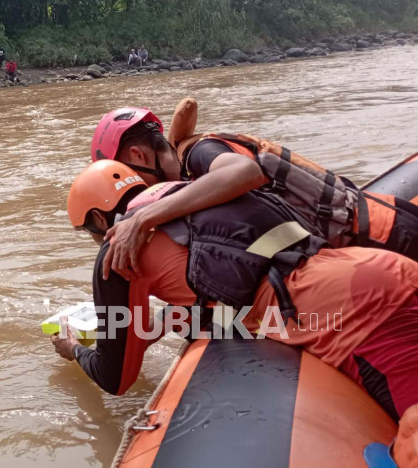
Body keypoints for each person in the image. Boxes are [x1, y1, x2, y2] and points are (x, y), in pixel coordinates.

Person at [55, 160, 418, 425]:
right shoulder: (200, 191)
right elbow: (251, 275)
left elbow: (115, 377)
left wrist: (74, 350)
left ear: (100, 221)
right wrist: (166, 321)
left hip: (357, 318)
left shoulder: (119, 250)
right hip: (384, 269)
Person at [92, 106, 418, 272]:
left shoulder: (200, 153)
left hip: (387, 236)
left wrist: (142, 218)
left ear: (139, 155)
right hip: (378, 232)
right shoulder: (194, 179)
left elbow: (244, 172)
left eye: (127, 175)